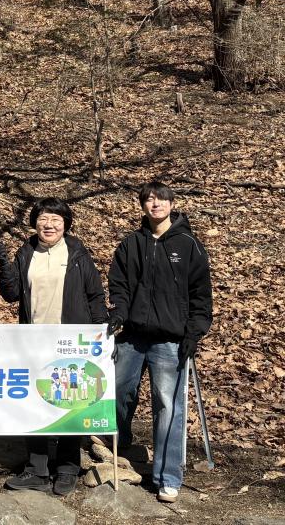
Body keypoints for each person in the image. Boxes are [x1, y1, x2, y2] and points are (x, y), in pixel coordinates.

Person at [108, 181, 212, 503]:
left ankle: (167, 476)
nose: (155, 205)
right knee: (118, 390)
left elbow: (200, 295)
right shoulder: (131, 244)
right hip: (132, 336)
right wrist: (119, 313)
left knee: (168, 405)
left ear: (171, 204)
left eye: (161, 199)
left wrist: (194, 332)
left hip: (170, 339)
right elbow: (120, 285)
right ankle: (119, 445)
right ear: (142, 206)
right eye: (149, 200)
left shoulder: (189, 244)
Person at [0, 197, 108, 496]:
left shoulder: (76, 253)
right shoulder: (26, 252)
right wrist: (5, 265)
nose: (49, 224)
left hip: (72, 342)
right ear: (35, 222)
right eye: (44, 218)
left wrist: (102, 334)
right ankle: (37, 470)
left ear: (65, 225)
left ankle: (67, 468)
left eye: (56, 220)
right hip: (34, 340)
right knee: (35, 404)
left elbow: (95, 295)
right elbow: (10, 295)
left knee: (70, 403)